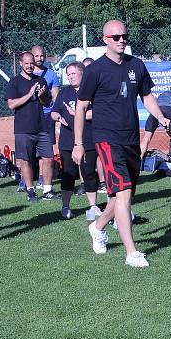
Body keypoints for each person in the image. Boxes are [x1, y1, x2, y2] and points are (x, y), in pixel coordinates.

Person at [73, 20, 169, 267]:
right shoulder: (95, 70)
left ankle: (98, 226)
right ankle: (131, 252)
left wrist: (160, 116)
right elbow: (81, 107)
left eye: (124, 35)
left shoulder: (136, 65)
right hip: (106, 139)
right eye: (115, 37)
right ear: (105, 39)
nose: (121, 40)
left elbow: (146, 96)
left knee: (120, 196)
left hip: (130, 139)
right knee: (123, 192)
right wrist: (78, 143)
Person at [51, 61, 101, 220]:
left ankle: (93, 206)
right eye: (68, 74)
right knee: (69, 174)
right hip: (67, 141)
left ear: (82, 73)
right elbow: (53, 112)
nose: (70, 77)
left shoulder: (92, 91)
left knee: (88, 173)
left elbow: (99, 113)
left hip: (88, 139)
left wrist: (78, 114)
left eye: (73, 73)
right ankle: (65, 207)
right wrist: (58, 117)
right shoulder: (64, 93)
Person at [5, 51, 50, 203]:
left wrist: (42, 95)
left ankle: (48, 190)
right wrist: (29, 94)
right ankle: (30, 191)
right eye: (26, 63)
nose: (30, 66)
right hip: (23, 128)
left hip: (41, 126)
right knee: (25, 160)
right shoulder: (14, 82)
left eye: (32, 63)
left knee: (48, 158)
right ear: (20, 64)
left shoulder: (41, 80)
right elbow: (11, 104)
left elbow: (47, 103)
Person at [31, 44, 61, 200]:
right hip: (31, 118)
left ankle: (43, 180)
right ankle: (26, 182)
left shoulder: (51, 74)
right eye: (36, 56)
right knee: (29, 151)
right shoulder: (27, 74)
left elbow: (56, 96)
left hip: (47, 116)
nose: (39, 58)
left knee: (46, 150)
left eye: (42, 55)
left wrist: (54, 112)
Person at [139, 87, 171, 162]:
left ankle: (138, 162)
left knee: (146, 138)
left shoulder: (167, 94)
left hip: (156, 111)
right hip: (169, 109)